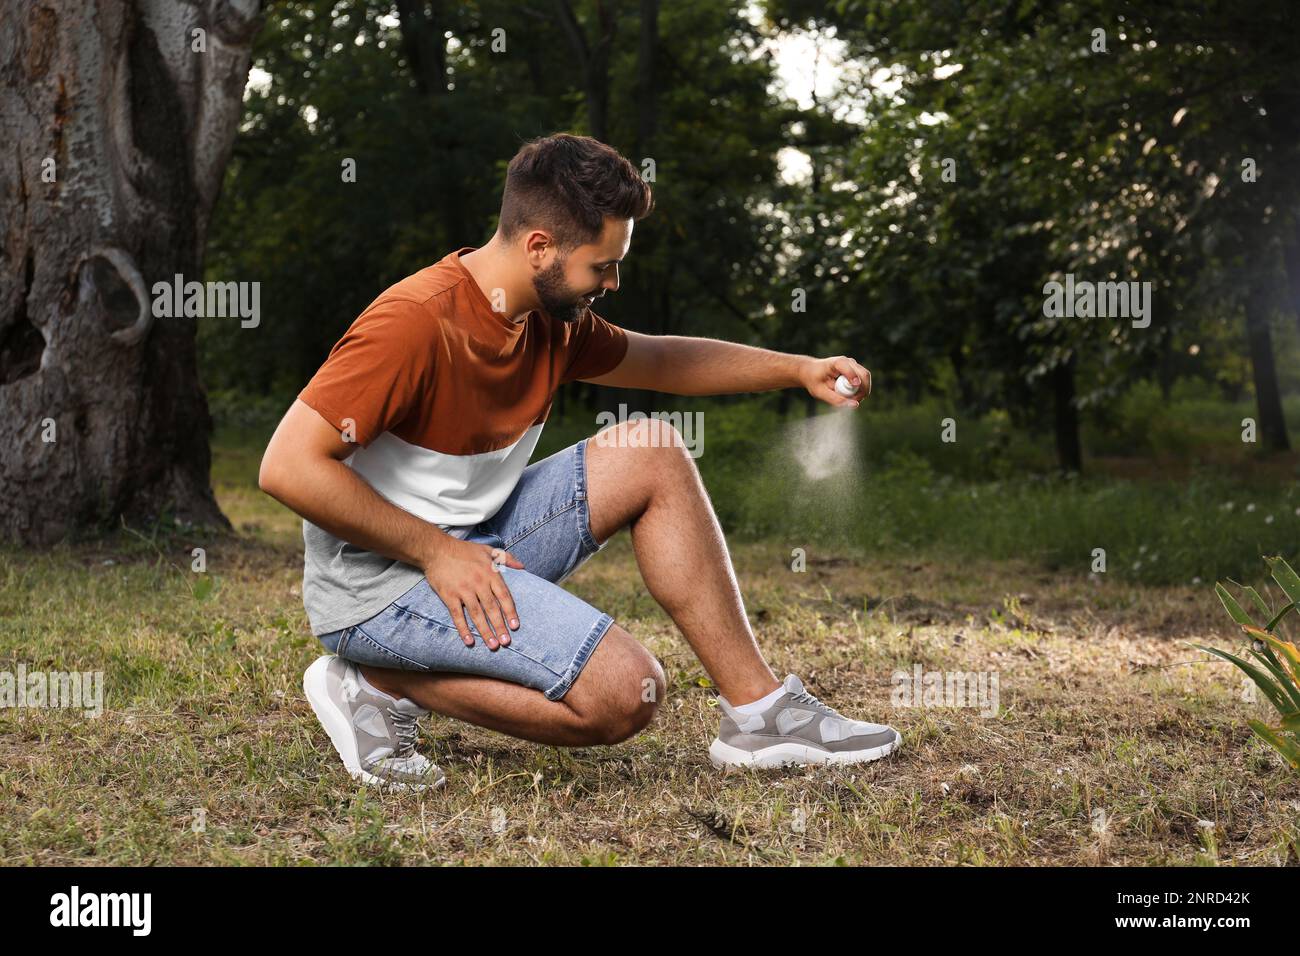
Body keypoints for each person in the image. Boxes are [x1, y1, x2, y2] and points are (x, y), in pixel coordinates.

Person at [258, 132, 900, 790]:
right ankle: (371, 680)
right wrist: (435, 552)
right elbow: (288, 466)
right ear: (539, 246)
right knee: (628, 694)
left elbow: (663, 360)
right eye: (602, 266)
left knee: (651, 448)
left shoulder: (549, 319)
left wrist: (798, 370)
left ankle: (761, 715)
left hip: (473, 542)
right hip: (379, 586)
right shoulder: (415, 324)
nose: (613, 282)